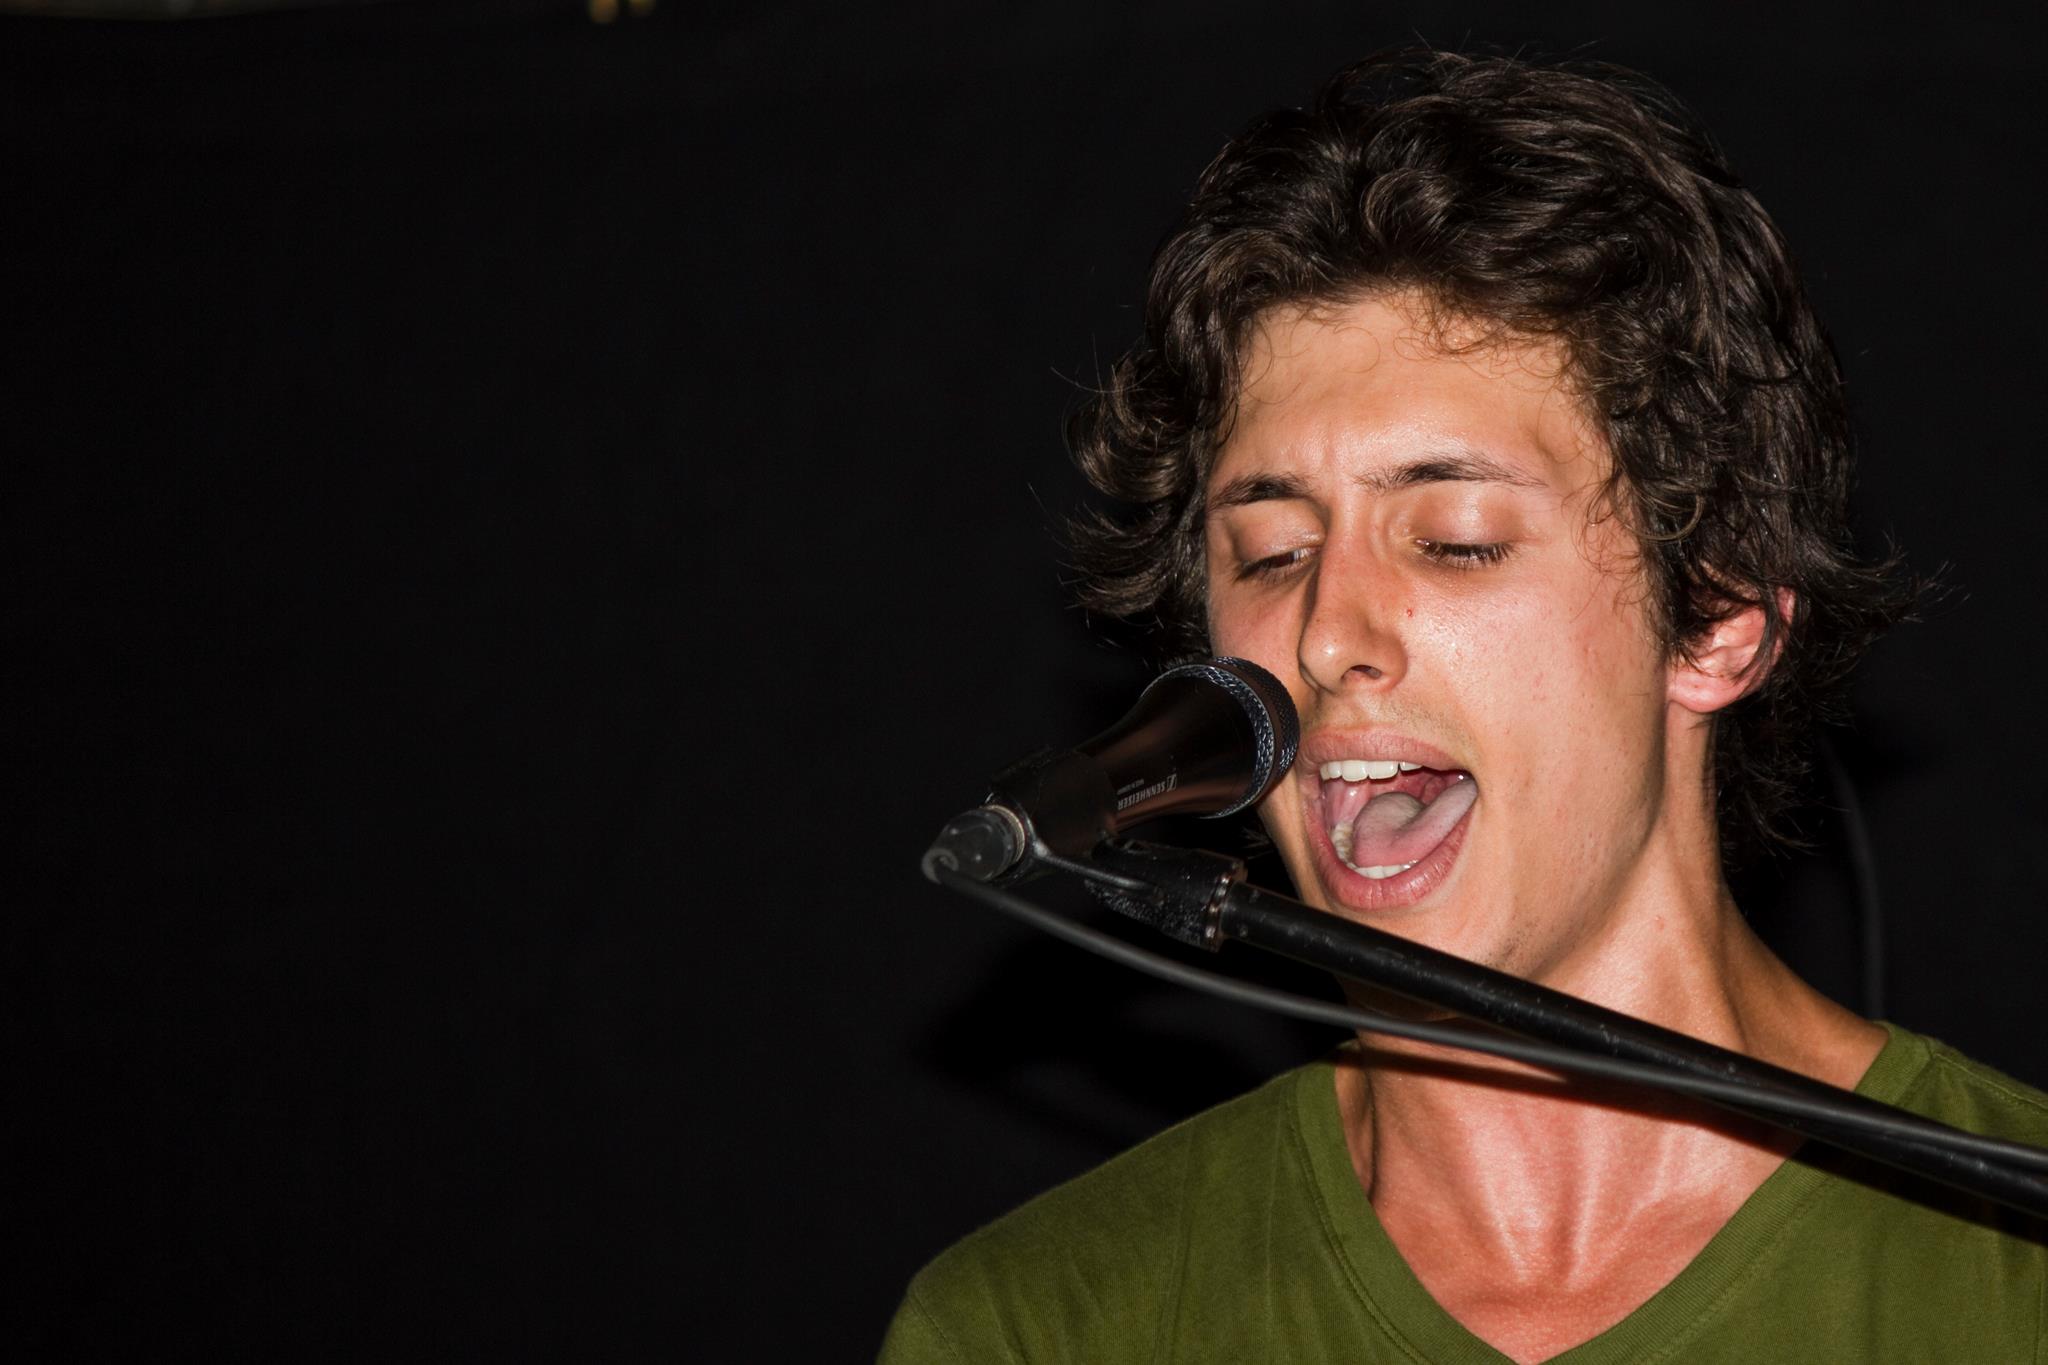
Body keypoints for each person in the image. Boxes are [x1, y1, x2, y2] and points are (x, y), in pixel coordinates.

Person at [881, 51, 2048, 1362]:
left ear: (1718, 619)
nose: (1324, 632)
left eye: (1455, 540)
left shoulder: (2017, 1268)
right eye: (1270, 553)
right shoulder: (1034, 1328)